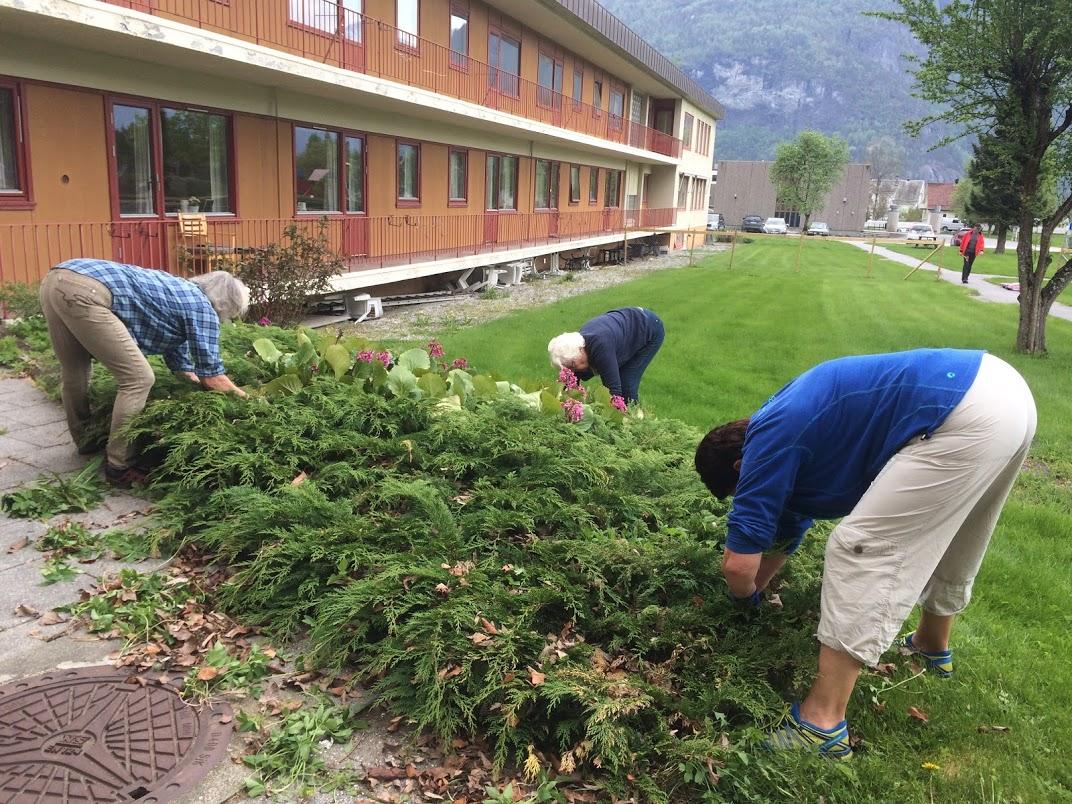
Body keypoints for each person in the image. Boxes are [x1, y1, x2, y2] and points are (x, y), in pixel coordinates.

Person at [693, 349, 1035, 758]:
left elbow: (737, 565)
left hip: (963, 411)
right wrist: (759, 590)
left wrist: (743, 600)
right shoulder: (793, 437)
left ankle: (820, 725)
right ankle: (930, 644)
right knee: (961, 531)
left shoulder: (766, 442)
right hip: (1002, 392)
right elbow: (785, 531)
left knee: (860, 547)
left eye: (738, 491)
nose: (745, 495)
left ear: (738, 467)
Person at [40, 258, 250, 488]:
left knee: (75, 371)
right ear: (227, 304)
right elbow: (213, 378)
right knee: (139, 379)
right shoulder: (203, 309)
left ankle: (86, 442)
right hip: (88, 292)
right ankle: (120, 466)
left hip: (57, 279)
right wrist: (250, 400)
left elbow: (181, 365)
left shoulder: (179, 295)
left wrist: (191, 381)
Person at [547, 307, 664, 404]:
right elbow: (570, 384)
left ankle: (635, 422)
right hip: (620, 327)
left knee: (626, 382)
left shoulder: (601, 347)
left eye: (573, 364)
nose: (573, 370)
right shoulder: (575, 349)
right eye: (569, 367)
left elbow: (614, 391)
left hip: (648, 328)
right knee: (584, 372)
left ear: (581, 349)